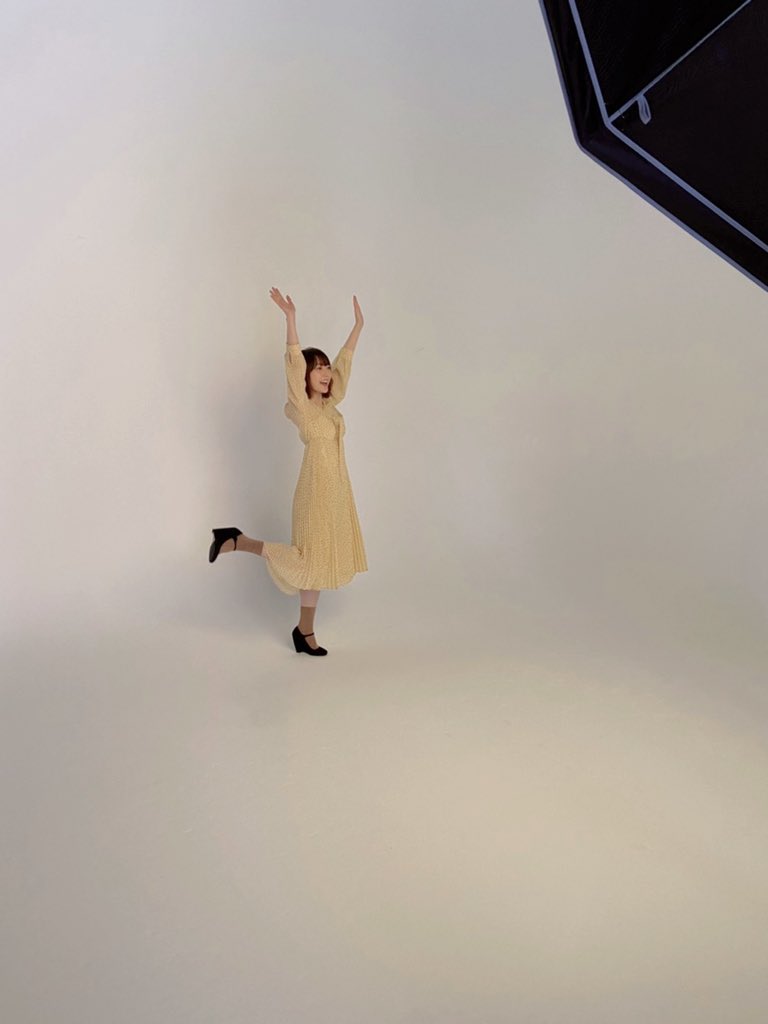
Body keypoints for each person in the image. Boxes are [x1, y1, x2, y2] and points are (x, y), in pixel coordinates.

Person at [208, 288, 368, 656]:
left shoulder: (329, 406)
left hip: (337, 492)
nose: (325, 373)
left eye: (325, 367)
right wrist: (290, 319)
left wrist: (357, 327)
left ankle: (304, 632)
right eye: (317, 368)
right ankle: (239, 541)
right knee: (308, 560)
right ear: (305, 378)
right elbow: (294, 363)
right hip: (315, 491)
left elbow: (344, 366)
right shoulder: (303, 407)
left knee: (318, 566)